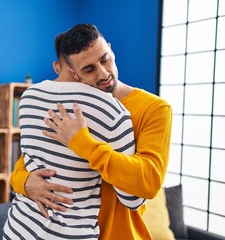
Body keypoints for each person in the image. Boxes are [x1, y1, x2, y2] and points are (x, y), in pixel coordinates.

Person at [10, 23, 173, 239]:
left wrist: (82, 143)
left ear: (111, 49)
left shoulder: (154, 109)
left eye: (105, 59)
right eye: (89, 69)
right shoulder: (67, 108)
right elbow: (29, 160)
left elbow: (149, 181)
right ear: (74, 74)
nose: (103, 73)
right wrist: (25, 183)